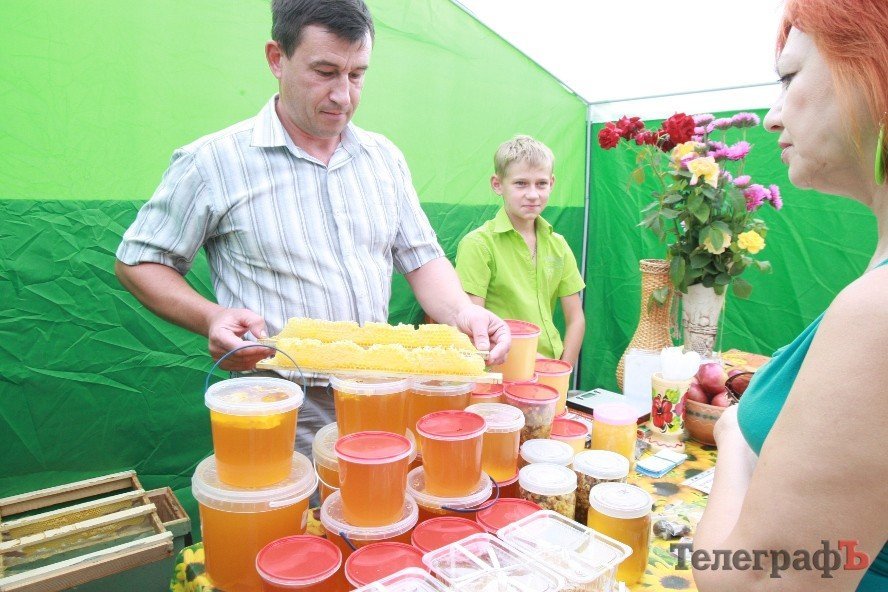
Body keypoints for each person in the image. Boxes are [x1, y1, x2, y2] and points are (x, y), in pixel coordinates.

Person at [115, 0, 509, 459]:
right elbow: (139, 262)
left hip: (379, 396)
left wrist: (463, 313)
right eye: (325, 72)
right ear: (276, 58)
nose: (343, 95)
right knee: (292, 505)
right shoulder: (213, 161)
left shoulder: (384, 158)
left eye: (357, 74)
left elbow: (421, 258)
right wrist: (211, 317)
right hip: (278, 404)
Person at [693, 1, 888, 590]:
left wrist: (735, 440)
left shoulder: (878, 311)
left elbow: (749, 580)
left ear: (875, 69)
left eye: (789, 76)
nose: (772, 118)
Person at [455, 135, 585, 368]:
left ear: (552, 183)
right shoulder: (478, 244)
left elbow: (576, 319)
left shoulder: (559, 245)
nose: (533, 194)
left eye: (541, 183)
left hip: (549, 373)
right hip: (499, 372)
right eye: (521, 183)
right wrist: (532, 364)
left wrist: (561, 370)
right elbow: (474, 326)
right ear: (497, 184)